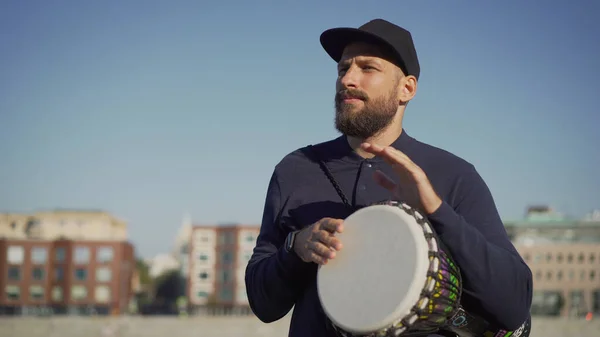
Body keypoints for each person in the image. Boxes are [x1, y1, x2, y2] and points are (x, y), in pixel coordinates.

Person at [245, 18, 533, 337]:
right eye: (343, 69)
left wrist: (437, 211)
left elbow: (514, 304)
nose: (348, 79)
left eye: (368, 68)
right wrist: (295, 247)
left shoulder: (453, 174)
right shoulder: (295, 169)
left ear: (406, 88)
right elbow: (263, 305)